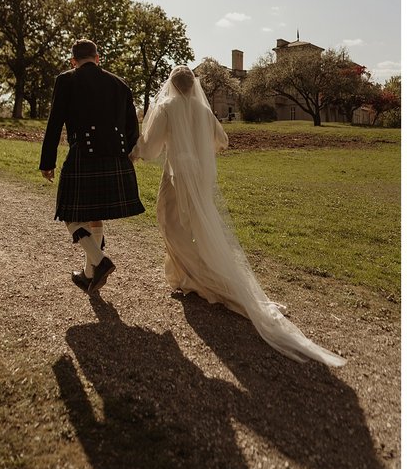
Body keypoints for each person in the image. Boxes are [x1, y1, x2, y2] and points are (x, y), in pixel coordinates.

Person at [129, 65, 345, 366]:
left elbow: (151, 148)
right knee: (199, 225)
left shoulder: (166, 106)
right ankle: (183, 274)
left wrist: (137, 151)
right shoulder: (204, 111)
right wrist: (201, 149)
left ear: (172, 86)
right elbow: (223, 141)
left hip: (179, 174)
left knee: (168, 221)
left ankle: (198, 276)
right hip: (201, 175)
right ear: (194, 86)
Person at [39, 39, 145, 292]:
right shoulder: (120, 84)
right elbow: (133, 127)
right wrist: (127, 155)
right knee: (94, 215)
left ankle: (99, 261)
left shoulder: (66, 79)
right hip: (116, 158)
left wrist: (47, 161)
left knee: (69, 213)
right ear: (98, 58)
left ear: (73, 61)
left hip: (83, 156)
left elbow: (55, 124)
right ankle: (89, 274)